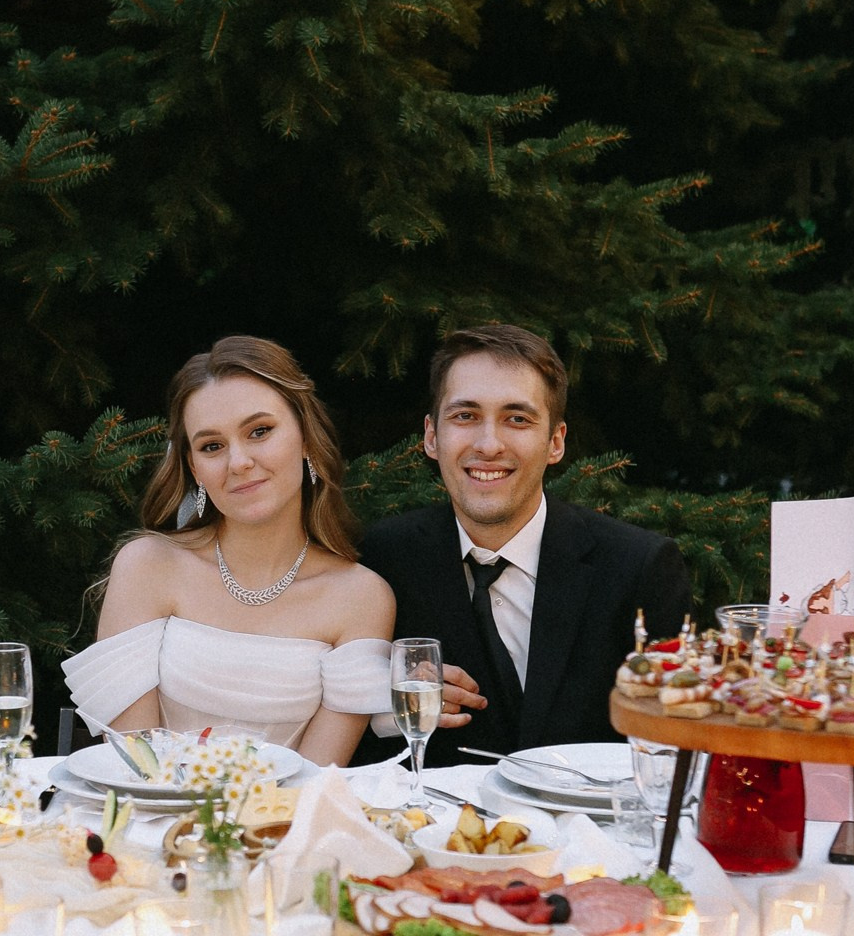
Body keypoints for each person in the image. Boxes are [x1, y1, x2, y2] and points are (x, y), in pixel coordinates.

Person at [357, 324, 690, 765]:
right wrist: (388, 705)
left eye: (517, 419)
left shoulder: (641, 569)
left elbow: (673, 746)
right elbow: (356, 749)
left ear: (556, 442)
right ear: (431, 437)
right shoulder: (382, 559)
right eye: (465, 416)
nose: (488, 444)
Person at [64, 336, 396, 761]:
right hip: (149, 817)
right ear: (194, 468)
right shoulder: (147, 566)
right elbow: (135, 764)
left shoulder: (361, 597)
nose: (238, 462)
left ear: (306, 438)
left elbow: (318, 780)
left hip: (284, 824)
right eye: (212, 446)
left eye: (259, 431)